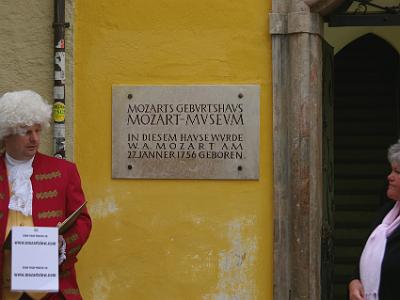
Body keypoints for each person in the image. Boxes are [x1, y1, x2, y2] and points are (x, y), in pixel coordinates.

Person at [0, 90, 92, 300]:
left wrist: (62, 244)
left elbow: (83, 221)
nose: (34, 139)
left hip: (50, 290)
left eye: (38, 131)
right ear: (7, 133)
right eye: (26, 132)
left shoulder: (64, 171)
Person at [349, 139, 400, 300]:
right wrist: (355, 282)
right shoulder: (385, 215)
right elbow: (364, 259)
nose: (389, 177)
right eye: (391, 170)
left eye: (397, 172)